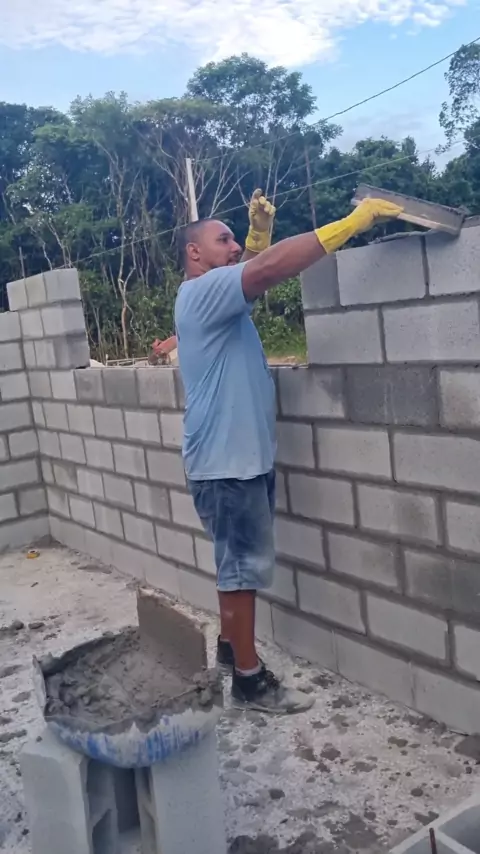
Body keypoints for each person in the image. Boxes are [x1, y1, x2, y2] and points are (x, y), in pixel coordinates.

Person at [175, 191, 402, 714]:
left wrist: (256, 237)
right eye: (224, 239)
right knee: (241, 570)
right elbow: (266, 270)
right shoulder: (202, 292)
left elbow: (252, 273)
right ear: (194, 253)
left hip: (235, 459)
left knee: (235, 565)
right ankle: (249, 681)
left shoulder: (213, 297)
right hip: (228, 464)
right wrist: (348, 224)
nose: (235, 246)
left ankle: (231, 649)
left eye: (237, 239)